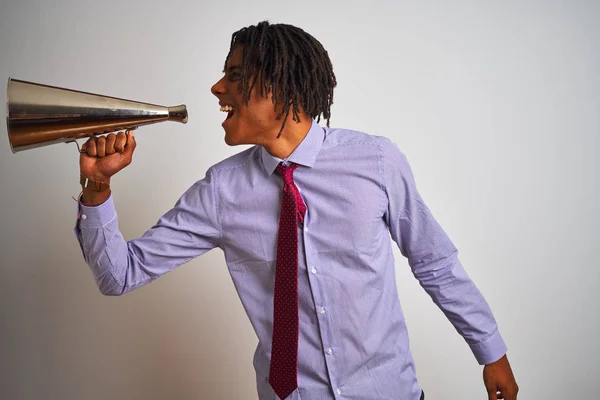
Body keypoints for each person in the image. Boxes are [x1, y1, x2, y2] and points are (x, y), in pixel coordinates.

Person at [74, 21, 519, 400]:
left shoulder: (377, 162)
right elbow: (120, 275)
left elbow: (433, 261)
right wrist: (98, 186)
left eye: (235, 73)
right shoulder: (220, 191)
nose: (216, 87)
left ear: (280, 86)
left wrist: (491, 351)